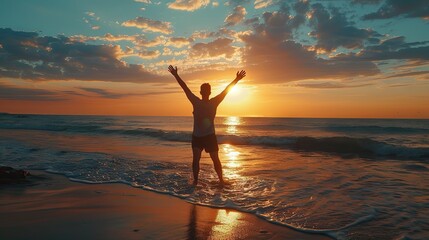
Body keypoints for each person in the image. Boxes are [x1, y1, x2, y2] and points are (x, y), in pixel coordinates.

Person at [168, 65, 246, 186]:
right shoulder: (210, 102)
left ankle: (201, 181)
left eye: (205, 91)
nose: (205, 93)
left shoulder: (199, 101)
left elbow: (185, 88)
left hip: (205, 136)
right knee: (208, 159)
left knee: (203, 159)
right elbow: (226, 90)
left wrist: (176, 75)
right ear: (208, 92)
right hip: (202, 136)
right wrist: (237, 79)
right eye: (205, 91)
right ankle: (216, 181)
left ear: (204, 92)